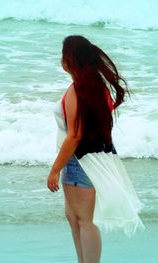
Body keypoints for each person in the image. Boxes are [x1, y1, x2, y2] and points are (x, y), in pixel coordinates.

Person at [47, 35, 145, 263]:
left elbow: (74, 135)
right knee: (75, 217)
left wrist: (54, 170)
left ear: (69, 60)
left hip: (78, 160)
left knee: (82, 219)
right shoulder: (97, 87)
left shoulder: (77, 90)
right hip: (92, 157)